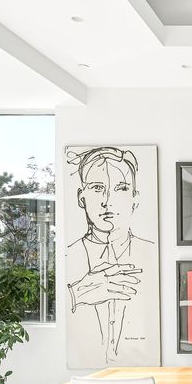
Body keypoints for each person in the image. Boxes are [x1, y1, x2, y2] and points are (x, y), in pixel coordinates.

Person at [66, 147, 155, 363]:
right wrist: (76, 295)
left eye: (121, 188)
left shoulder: (152, 255)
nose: (107, 200)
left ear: (135, 198)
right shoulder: (67, 257)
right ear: (81, 197)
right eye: (97, 188)